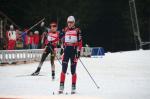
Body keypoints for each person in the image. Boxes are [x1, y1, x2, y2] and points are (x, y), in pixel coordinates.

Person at [58, 16, 82, 94]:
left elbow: (80, 42)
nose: (70, 24)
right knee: (63, 69)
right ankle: (61, 87)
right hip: (66, 51)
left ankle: (73, 87)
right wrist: (61, 49)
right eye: (68, 22)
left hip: (74, 52)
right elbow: (61, 39)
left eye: (71, 22)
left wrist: (78, 51)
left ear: (74, 22)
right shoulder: (65, 30)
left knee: (73, 70)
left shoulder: (77, 30)